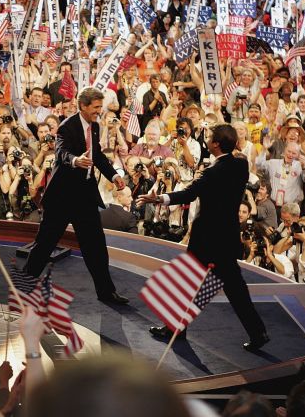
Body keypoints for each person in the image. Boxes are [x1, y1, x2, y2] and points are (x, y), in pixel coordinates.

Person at [138, 123, 269, 351]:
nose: (206, 139)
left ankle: (174, 329)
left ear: (216, 144)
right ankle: (258, 333)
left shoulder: (212, 172)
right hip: (227, 239)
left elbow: (188, 194)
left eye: (209, 137)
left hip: (206, 240)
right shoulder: (240, 164)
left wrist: (159, 199)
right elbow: (234, 156)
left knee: (186, 282)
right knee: (236, 288)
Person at [23, 87, 129, 305]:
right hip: (62, 197)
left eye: (101, 107)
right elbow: (61, 153)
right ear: (83, 105)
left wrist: (114, 175)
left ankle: (106, 292)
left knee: (96, 246)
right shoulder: (66, 127)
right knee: (44, 244)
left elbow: (98, 156)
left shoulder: (96, 126)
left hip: (85, 197)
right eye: (96, 107)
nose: (99, 111)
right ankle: (24, 285)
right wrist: (76, 160)